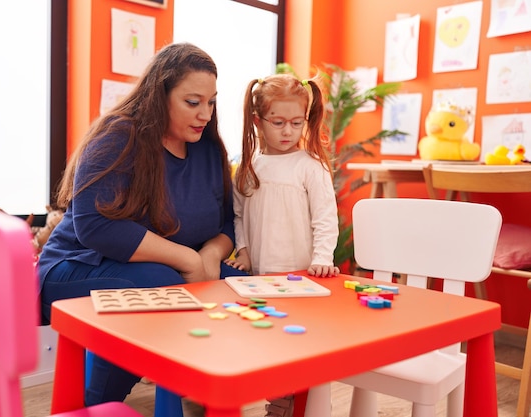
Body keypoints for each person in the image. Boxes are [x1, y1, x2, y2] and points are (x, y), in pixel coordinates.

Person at [37, 42, 247, 405]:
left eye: (211, 102)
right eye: (192, 102)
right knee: (161, 289)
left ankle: (208, 393)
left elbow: (228, 224)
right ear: (159, 94)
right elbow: (95, 226)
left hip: (166, 269)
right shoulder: (118, 135)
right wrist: (186, 259)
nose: (205, 114)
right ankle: (94, 407)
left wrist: (211, 255)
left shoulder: (209, 149)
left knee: (243, 289)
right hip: (76, 265)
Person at [224, 73, 340, 417]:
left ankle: (295, 404)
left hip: (302, 278)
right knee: (268, 341)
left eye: (296, 122)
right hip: (261, 276)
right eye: (278, 122)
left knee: (299, 344)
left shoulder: (310, 166)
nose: (288, 131)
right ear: (258, 122)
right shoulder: (249, 166)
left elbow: (325, 218)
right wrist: (242, 251)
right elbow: (239, 215)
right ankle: (278, 401)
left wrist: (322, 258)